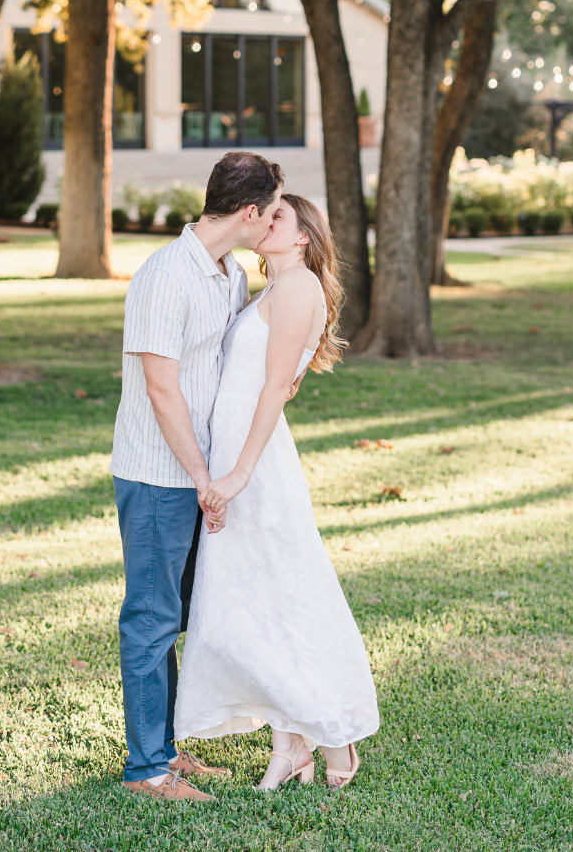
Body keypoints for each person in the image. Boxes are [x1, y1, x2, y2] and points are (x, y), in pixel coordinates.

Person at [174, 193, 380, 790]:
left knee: (279, 594)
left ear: (304, 238)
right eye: (265, 214)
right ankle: (292, 746)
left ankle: (333, 734)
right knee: (258, 594)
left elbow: (270, 393)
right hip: (239, 449)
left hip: (254, 461)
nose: (266, 223)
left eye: (279, 217)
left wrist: (236, 474)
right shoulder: (280, 288)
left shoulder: (297, 290)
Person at [111, 150, 284, 802]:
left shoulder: (229, 275)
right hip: (159, 476)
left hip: (200, 476)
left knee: (181, 615)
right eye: (268, 214)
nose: (270, 224)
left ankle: (166, 750)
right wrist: (202, 475)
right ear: (247, 212)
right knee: (151, 619)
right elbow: (162, 389)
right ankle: (146, 770)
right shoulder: (163, 276)